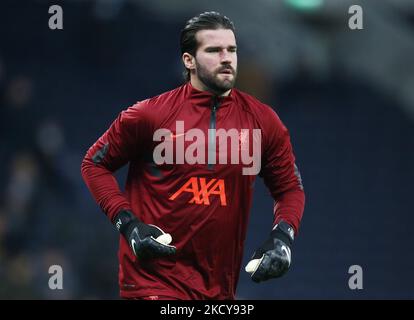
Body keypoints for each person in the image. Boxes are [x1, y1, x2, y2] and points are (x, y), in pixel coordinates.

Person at [81, 11, 305, 300]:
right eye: (214, 50)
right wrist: (129, 224)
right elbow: (94, 164)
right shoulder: (149, 115)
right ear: (189, 61)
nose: (227, 59)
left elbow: (289, 189)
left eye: (232, 50)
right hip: (151, 287)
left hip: (218, 294)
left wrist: (283, 236)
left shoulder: (263, 122)